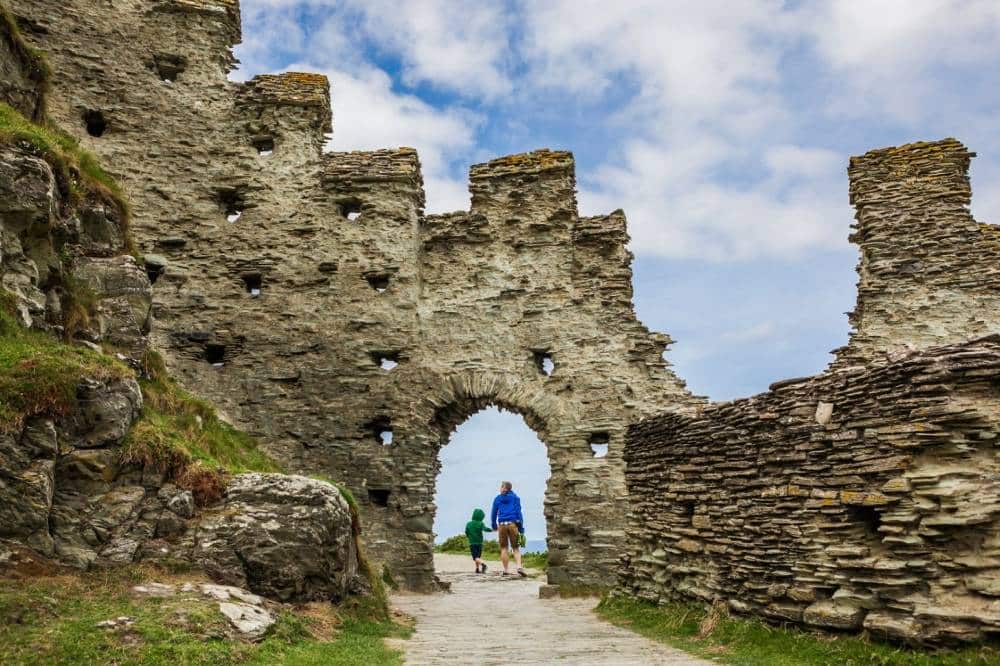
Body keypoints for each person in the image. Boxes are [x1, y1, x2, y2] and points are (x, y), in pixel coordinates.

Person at [491, 480, 526, 577]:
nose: (500, 488)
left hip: (502, 525)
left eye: (501, 486)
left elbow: (493, 513)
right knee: (515, 548)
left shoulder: (497, 499)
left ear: (504, 488)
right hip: (512, 524)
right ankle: (519, 567)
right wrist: (521, 528)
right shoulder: (515, 498)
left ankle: (506, 570)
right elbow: (519, 513)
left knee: (504, 548)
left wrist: (494, 525)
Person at [465, 508, 492, 574]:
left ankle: (483, 565)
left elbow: (466, 532)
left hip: (472, 543)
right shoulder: (481, 523)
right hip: (480, 543)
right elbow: (485, 529)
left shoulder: (469, 524)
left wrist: (469, 537)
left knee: (475, 558)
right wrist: (491, 530)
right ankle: (477, 569)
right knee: (478, 557)